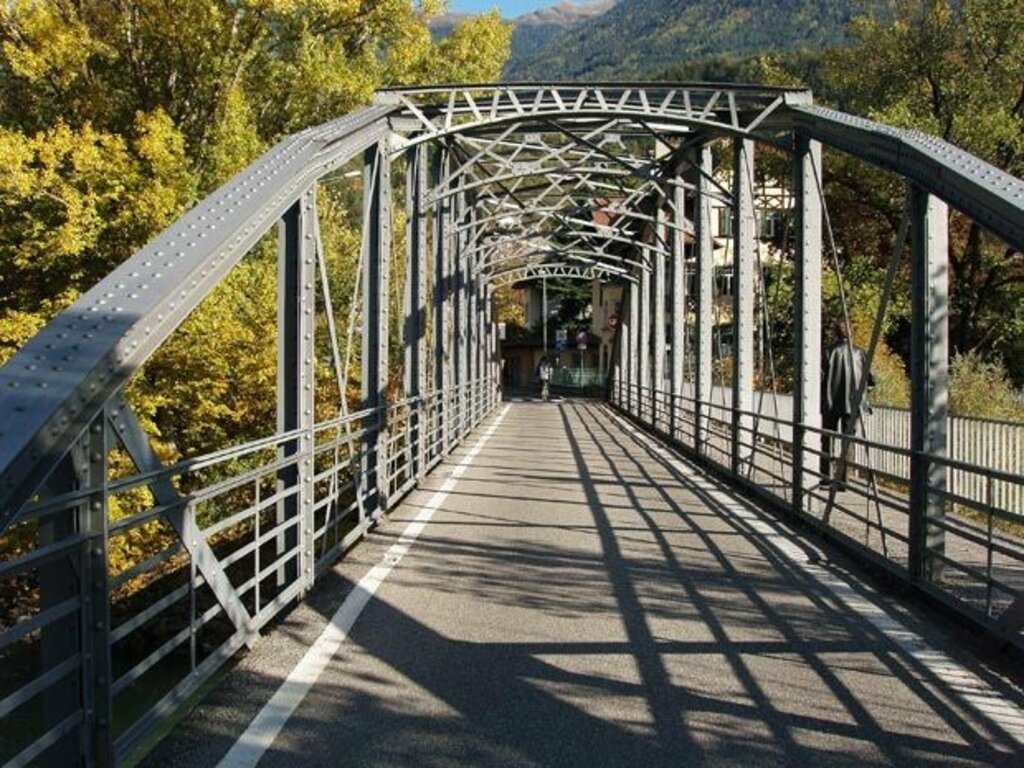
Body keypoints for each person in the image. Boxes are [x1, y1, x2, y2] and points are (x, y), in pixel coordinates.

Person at [820, 320, 875, 486]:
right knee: (848, 441)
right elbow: (870, 380)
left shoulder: (828, 352)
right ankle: (844, 479)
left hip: (831, 403)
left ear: (836, 333)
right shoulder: (860, 353)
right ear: (850, 333)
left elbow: (821, 378)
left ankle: (826, 477)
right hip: (853, 405)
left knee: (828, 439)